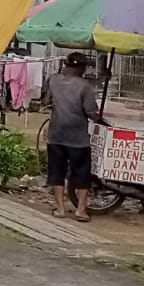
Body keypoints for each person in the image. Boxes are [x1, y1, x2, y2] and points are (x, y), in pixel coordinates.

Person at [43, 52, 105, 221]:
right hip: (78, 139)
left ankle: (60, 209)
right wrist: (101, 120)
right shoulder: (85, 87)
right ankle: (81, 211)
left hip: (55, 135)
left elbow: (45, 101)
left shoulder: (53, 80)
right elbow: (91, 112)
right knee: (82, 174)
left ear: (66, 65)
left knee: (57, 172)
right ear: (82, 68)